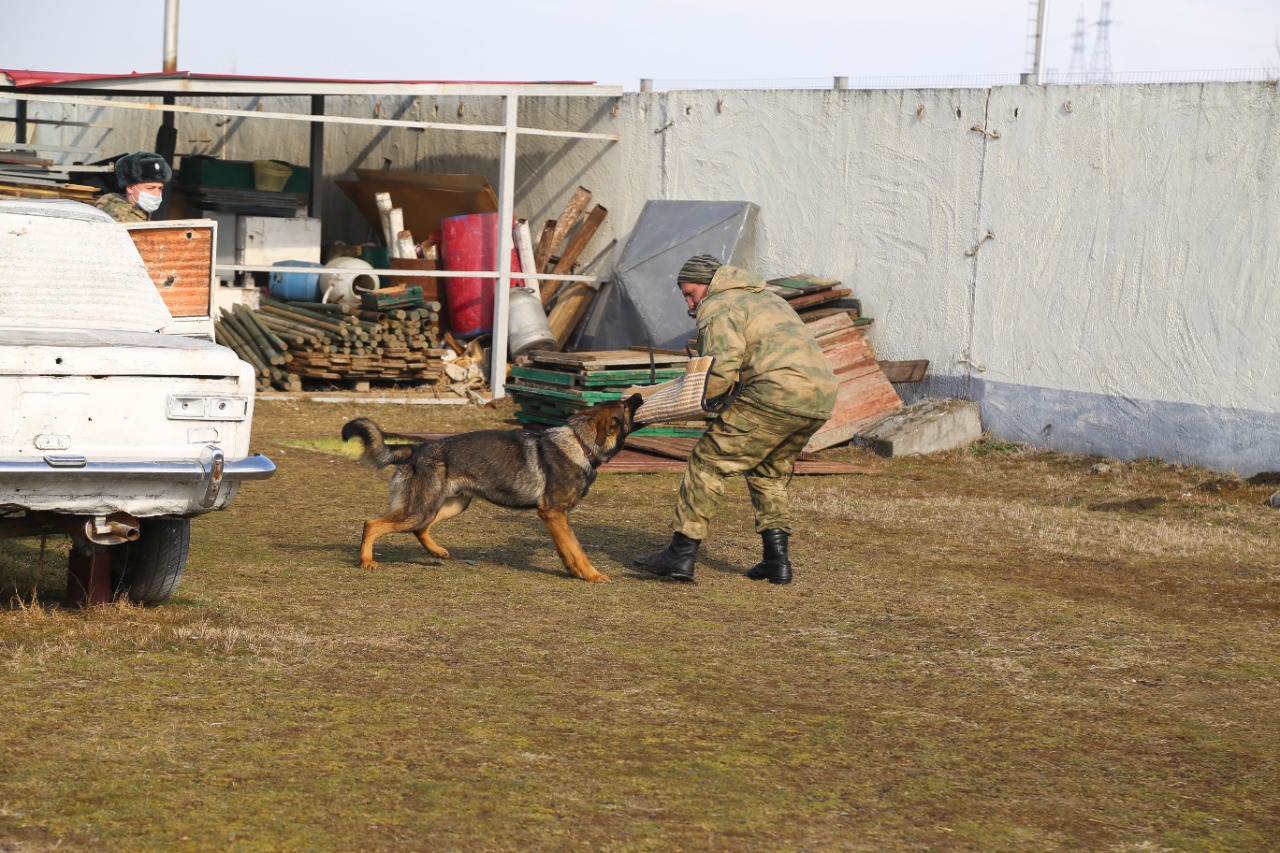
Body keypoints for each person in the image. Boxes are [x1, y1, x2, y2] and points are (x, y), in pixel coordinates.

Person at [634, 254, 839, 585]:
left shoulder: (719, 305)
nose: (689, 303)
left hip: (775, 393)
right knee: (766, 471)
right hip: (820, 396)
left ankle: (681, 554)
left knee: (707, 462)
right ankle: (777, 561)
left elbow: (720, 370)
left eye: (691, 294)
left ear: (709, 285)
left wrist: (681, 404)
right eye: (684, 296)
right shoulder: (766, 298)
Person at [94, 151, 172, 223]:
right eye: (150, 188)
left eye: (160, 188)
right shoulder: (122, 218)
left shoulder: (138, 213)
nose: (157, 194)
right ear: (130, 188)